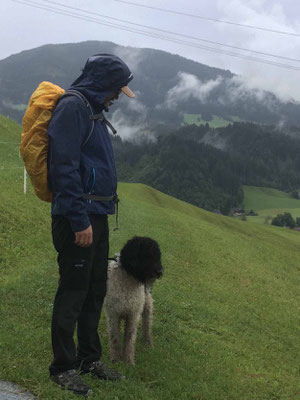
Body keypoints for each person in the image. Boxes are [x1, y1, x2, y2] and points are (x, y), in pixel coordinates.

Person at [47, 54, 135, 396]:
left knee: (95, 289)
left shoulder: (94, 108)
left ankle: (88, 358)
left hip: (95, 216)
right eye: (116, 90)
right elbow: (64, 168)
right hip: (77, 218)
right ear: (103, 84)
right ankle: (62, 367)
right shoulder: (73, 108)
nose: (117, 97)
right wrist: (79, 220)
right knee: (73, 291)